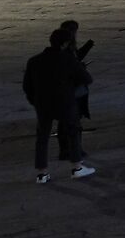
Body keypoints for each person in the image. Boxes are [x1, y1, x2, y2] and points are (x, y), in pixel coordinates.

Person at [24, 27, 94, 183]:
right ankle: (77, 167)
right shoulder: (68, 60)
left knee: (42, 138)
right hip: (65, 102)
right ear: (65, 43)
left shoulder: (34, 61)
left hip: (43, 104)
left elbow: (27, 87)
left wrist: (35, 101)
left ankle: (42, 174)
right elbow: (87, 79)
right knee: (73, 132)